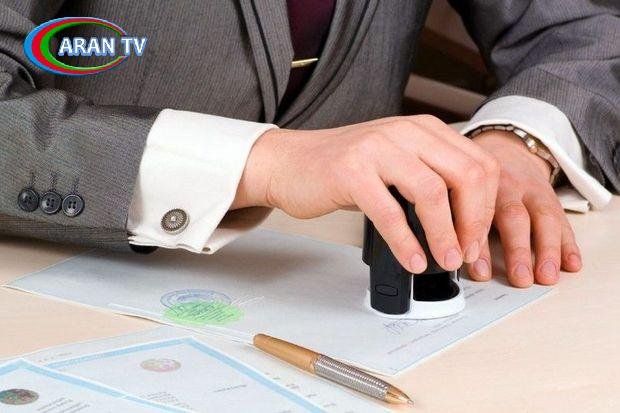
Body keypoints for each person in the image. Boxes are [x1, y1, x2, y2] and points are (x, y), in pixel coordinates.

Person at [0, 1, 617, 289]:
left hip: (342, 286)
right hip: (62, 282)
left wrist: (517, 140)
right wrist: (264, 162)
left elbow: (581, 26)